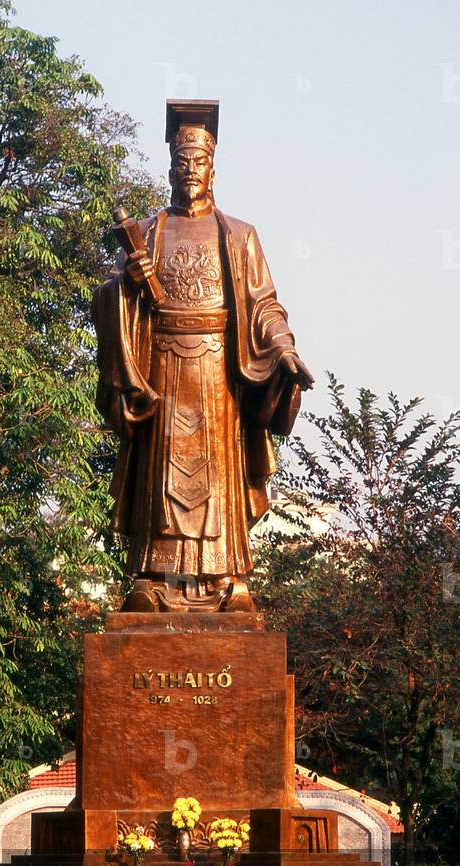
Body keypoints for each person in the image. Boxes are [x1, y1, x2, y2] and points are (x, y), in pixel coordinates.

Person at [91, 100, 314, 611]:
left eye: (198, 161)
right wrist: (123, 287)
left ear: (213, 166)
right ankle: (151, 578)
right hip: (162, 366)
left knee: (217, 477)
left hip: (219, 370)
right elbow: (109, 298)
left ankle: (227, 579)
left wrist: (283, 350)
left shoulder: (238, 235)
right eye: (181, 161)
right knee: (160, 475)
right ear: (170, 166)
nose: (189, 170)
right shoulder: (148, 232)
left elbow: (265, 306)